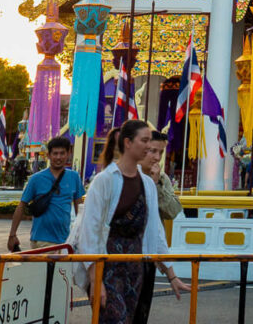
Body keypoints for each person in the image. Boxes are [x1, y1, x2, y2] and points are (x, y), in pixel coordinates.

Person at [79, 120, 189, 324]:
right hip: (107, 267)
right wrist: (96, 280)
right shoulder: (104, 181)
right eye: (144, 140)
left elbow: (155, 231)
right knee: (115, 319)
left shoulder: (148, 184)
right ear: (128, 143)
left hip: (135, 268)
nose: (149, 146)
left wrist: (171, 274)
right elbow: (90, 232)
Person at [8, 136, 83, 250]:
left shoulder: (74, 177)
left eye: (62, 153)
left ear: (69, 154)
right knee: (47, 268)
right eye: (55, 153)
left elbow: (80, 208)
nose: (58, 157)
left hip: (65, 241)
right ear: (48, 155)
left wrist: (81, 234)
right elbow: (21, 205)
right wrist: (12, 235)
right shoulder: (36, 179)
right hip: (41, 240)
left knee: (62, 268)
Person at [141, 131, 182, 222]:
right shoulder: (128, 175)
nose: (158, 157)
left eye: (161, 152)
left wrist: (157, 185)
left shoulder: (162, 179)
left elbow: (173, 212)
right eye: (153, 151)